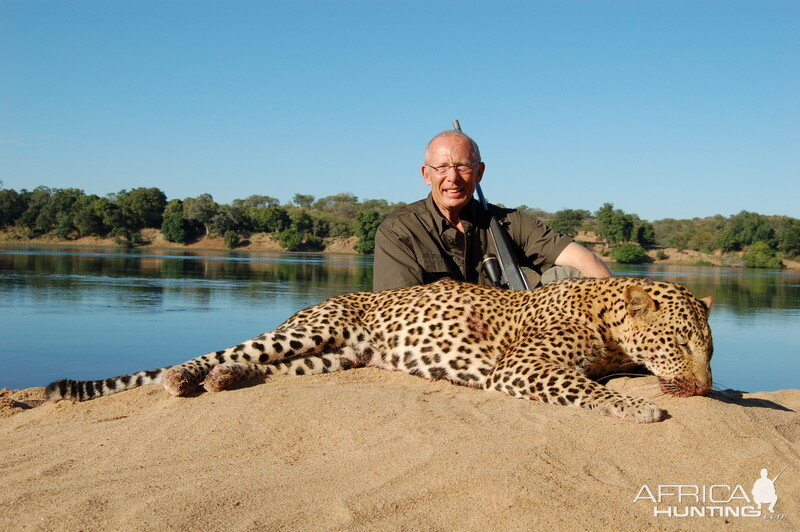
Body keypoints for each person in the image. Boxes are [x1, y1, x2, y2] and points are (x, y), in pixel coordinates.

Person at [373, 130, 611, 291]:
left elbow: (585, 259)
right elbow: (397, 308)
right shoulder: (399, 230)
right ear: (427, 174)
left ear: (479, 173)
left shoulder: (510, 222)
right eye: (442, 167)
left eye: (463, 166)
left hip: (511, 334)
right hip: (440, 338)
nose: (453, 178)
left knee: (569, 275)